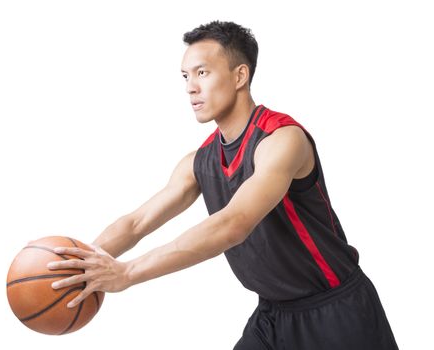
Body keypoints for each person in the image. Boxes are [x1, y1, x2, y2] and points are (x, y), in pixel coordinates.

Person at [47, 20, 399, 349]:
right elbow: (137, 222)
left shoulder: (282, 140)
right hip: (273, 316)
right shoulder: (200, 161)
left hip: (337, 312)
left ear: (239, 76)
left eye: (202, 72)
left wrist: (128, 273)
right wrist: (82, 262)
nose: (190, 87)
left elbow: (233, 224)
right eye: (185, 76)